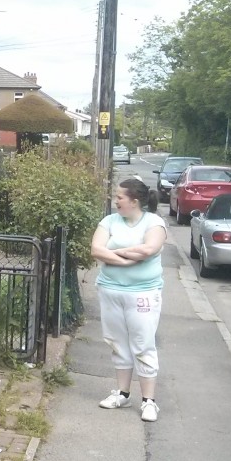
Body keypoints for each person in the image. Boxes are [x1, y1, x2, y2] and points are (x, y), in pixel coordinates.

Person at [90, 177, 167, 422]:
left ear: (134, 201)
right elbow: (95, 250)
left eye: (119, 198)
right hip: (110, 290)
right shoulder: (109, 221)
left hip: (143, 293)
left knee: (143, 345)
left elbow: (148, 250)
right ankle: (122, 393)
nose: (115, 202)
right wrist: (126, 259)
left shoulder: (154, 222)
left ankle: (149, 401)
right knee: (116, 342)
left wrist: (113, 254)